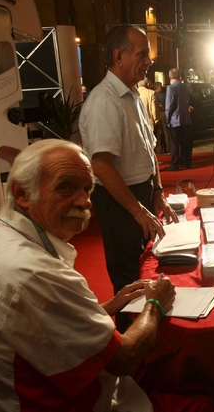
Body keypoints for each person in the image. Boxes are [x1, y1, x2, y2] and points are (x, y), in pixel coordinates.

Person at [0, 140, 214, 411]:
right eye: (65, 187)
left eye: (87, 188)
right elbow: (123, 359)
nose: (85, 201)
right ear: (22, 193)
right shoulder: (31, 272)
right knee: (201, 397)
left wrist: (104, 308)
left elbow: (39, 324)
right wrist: (155, 304)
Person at [79, 24, 177, 332]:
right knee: (130, 284)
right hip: (120, 200)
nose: (149, 61)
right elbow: (102, 166)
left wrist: (157, 192)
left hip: (139, 194)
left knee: (144, 268)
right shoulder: (104, 100)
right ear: (118, 56)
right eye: (142, 54)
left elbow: (148, 151)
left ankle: (145, 337)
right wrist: (137, 210)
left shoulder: (132, 94)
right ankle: (127, 346)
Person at [165, 68, 193, 171]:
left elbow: (169, 106)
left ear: (170, 76)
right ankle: (186, 162)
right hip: (186, 118)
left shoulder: (171, 88)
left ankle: (174, 164)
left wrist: (167, 120)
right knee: (185, 143)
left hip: (174, 120)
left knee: (174, 143)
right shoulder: (185, 87)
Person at [154, 81, 169, 154]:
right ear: (158, 87)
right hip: (163, 114)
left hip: (158, 115)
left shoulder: (155, 95)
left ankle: (161, 149)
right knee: (166, 132)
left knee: (159, 133)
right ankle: (168, 147)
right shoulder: (163, 95)